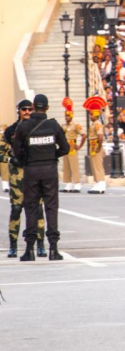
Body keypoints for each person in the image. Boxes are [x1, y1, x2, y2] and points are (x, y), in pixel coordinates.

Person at [12, 94, 70, 261]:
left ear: (33, 107)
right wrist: (53, 155)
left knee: (31, 208)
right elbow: (65, 148)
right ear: (47, 107)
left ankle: (29, 250)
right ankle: (53, 249)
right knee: (51, 208)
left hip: (31, 171)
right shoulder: (53, 125)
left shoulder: (23, 126)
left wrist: (27, 161)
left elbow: (17, 151)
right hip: (49, 171)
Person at [0, 100, 47, 258]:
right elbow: (1, 152)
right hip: (17, 176)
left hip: (35, 173)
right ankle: (13, 245)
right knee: (16, 209)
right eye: (24, 109)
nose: (27, 112)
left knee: (38, 209)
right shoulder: (11, 131)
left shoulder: (39, 128)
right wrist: (11, 159)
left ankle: (40, 245)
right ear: (19, 111)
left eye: (29, 109)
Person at [61, 98, 86, 193]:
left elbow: (84, 135)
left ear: (71, 115)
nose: (66, 117)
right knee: (66, 166)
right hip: (65, 147)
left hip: (72, 147)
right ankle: (68, 183)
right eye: (65, 116)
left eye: (68, 116)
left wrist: (79, 146)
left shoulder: (75, 126)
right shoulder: (63, 126)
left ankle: (77, 183)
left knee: (74, 165)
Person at [84, 97, 108, 194]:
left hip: (96, 146)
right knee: (94, 165)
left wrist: (99, 147)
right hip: (93, 147)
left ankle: (101, 184)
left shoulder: (97, 124)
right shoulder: (94, 124)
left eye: (91, 114)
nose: (90, 116)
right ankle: (97, 182)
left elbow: (100, 136)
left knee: (98, 166)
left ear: (95, 115)